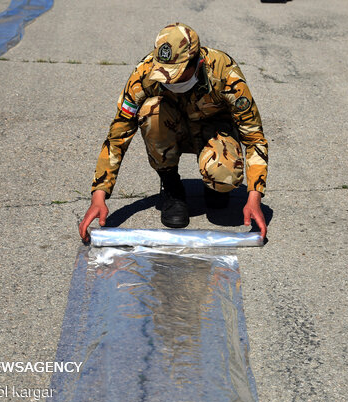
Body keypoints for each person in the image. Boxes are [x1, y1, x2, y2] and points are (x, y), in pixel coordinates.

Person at [79, 23, 268, 242]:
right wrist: (99, 196)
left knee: (223, 179)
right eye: (164, 74)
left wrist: (254, 197)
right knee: (151, 111)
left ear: (197, 62)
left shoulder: (224, 72)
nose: (169, 80)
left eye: (176, 74)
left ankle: (214, 186)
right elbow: (118, 135)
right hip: (171, 128)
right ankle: (171, 186)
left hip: (212, 130)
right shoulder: (144, 73)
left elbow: (254, 137)